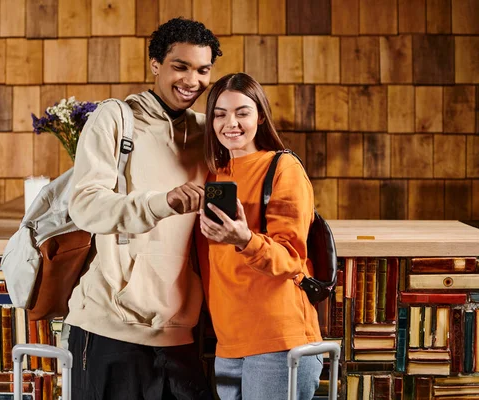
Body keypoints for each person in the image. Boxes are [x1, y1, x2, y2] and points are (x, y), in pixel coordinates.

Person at [66, 18, 222, 400]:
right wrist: (162, 202)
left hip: (181, 330)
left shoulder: (210, 131)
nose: (192, 81)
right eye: (180, 66)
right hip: (110, 327)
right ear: (155, 64)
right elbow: (85, 205)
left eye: (202, 70)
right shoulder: (116, 119)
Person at [197, 72, 323, 400]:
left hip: (278, 341)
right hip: (228, 342)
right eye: (220, 114)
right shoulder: (212, 174)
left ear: (261, 116)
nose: (231, 123)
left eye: (242, 112)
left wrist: (244, 239)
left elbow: (291, 259)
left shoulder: (283, 168)